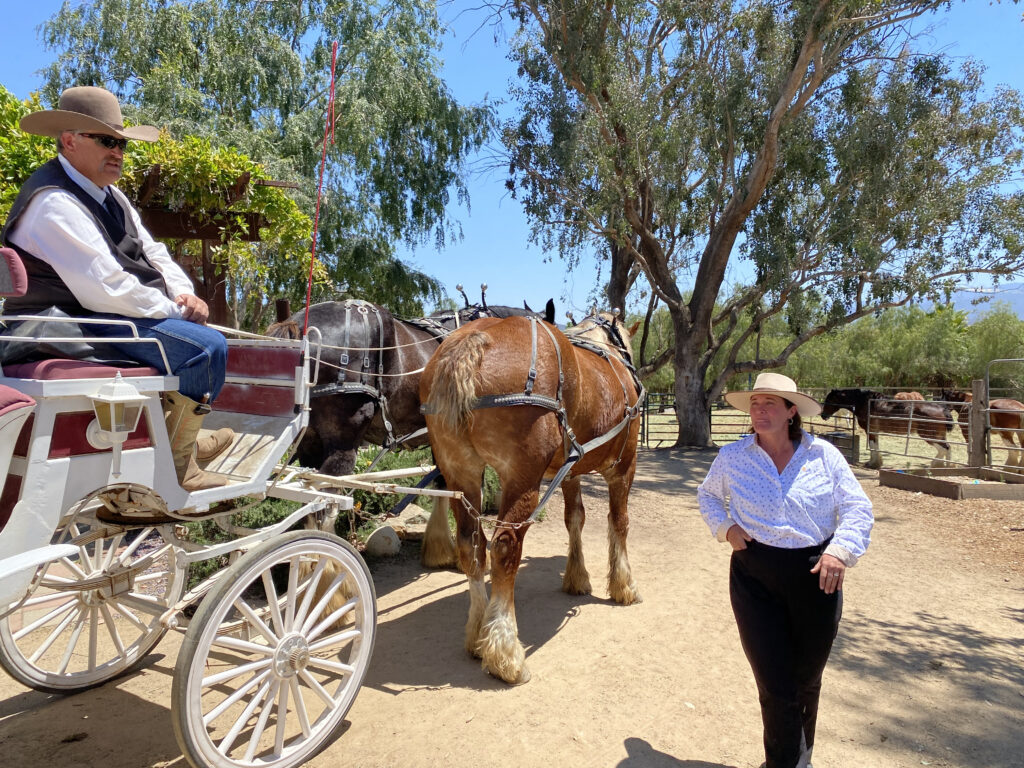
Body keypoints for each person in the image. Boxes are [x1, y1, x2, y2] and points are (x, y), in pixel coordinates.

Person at [1, 86, 233, 491]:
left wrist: (184, 293)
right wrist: (177, 313)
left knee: (200, 337)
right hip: (66, 328)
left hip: (104, 317)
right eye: (107, 141)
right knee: (205, 349)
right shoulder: (53, 202)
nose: (118, 152)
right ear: (70, 141)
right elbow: (104, 288)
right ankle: (179, 463)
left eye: (122, 143)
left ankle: (181, 443)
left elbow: (153, 250)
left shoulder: (111, 195)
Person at [697, 372, 873, 768]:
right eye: (755, 404)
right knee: (775, 683)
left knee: (806, 679)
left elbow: (858, 507)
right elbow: (707, 495)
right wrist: (725, 528)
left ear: (791, 411)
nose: (759, 411)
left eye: (769, 404)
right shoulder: (732, 457)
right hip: (754, 574)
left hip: (816, 574)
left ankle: (799, 758)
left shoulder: (823, 455)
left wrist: (839, 551)